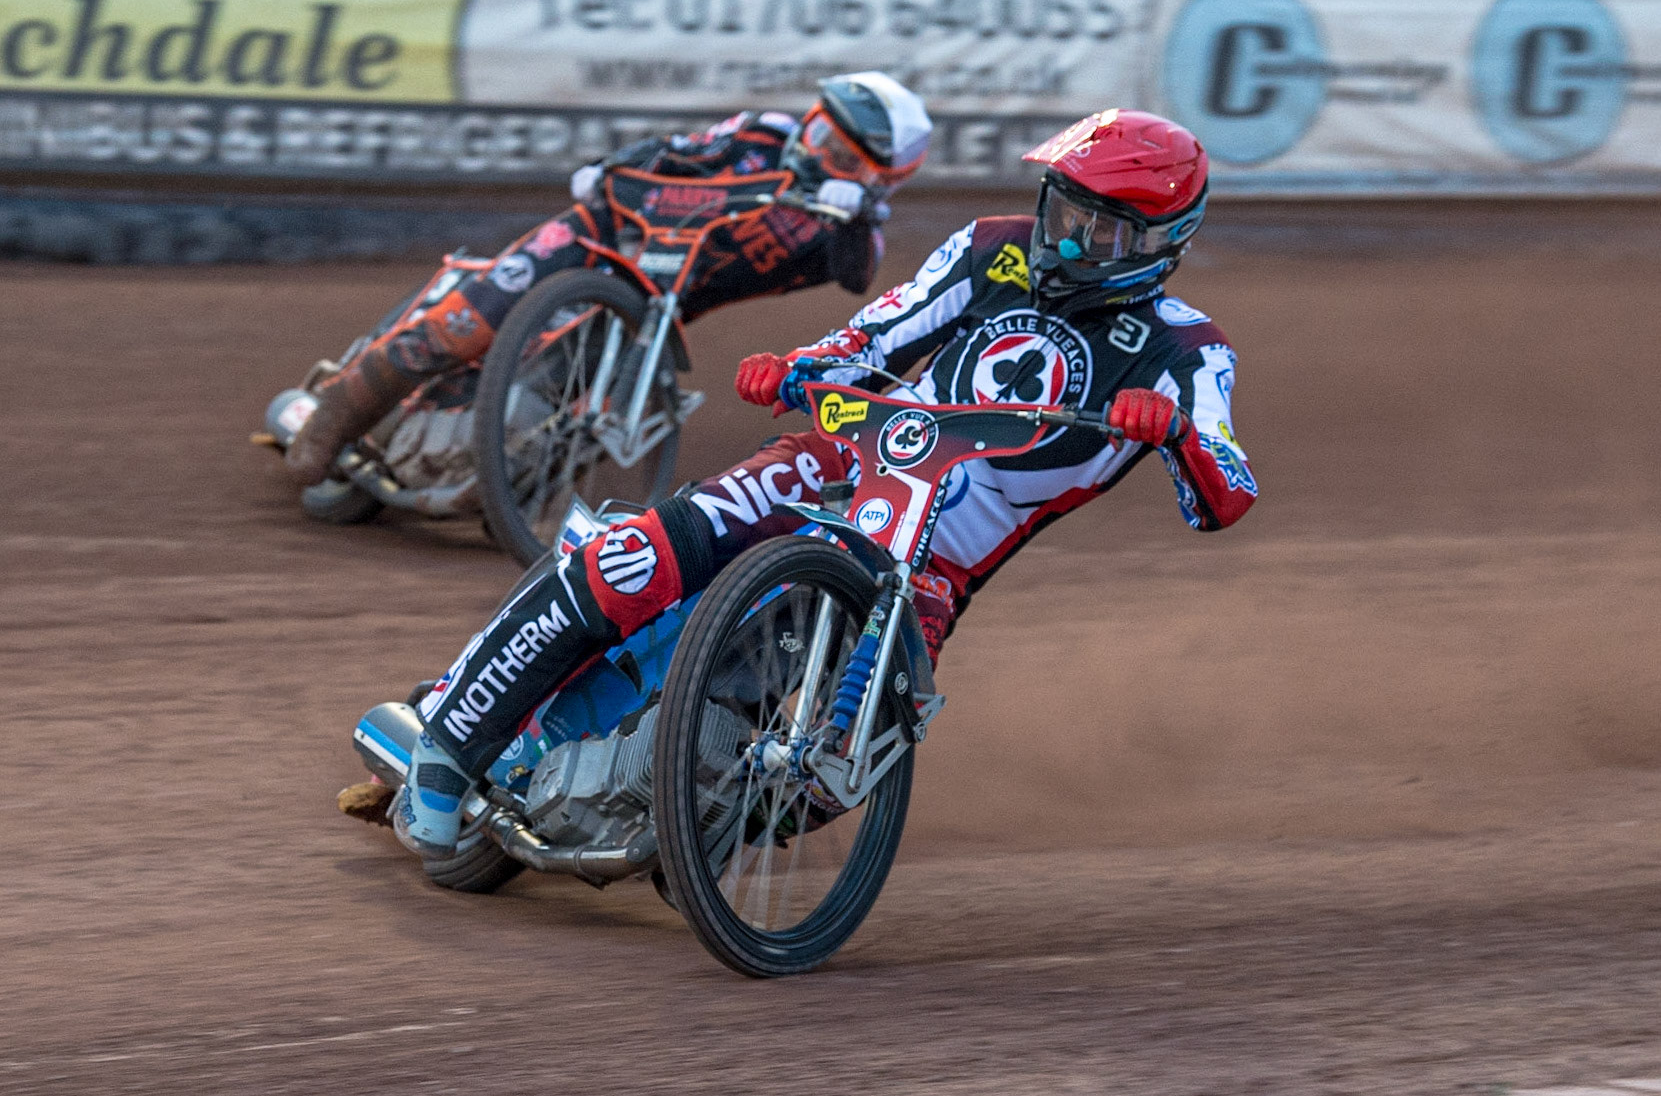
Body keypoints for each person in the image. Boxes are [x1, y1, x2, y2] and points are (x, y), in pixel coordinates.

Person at [389, 108, 1260, 858]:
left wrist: (1176, 427)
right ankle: (449, 741)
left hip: (933, 562)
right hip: (847, 457)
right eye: (1060, 209)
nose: (1064, 237)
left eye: (1096, 227)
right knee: (640, 556)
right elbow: (876, 335)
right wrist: (801, 367)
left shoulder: (1186, 352)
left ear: (1158, 242)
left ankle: (666, 808)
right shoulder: (991, 249)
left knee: (828, 780)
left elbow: (1225, 490)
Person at [285, 71, 933, 485]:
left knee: (558, 402)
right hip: (596, 231)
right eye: (821, 131)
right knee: (464, 326)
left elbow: (857, 278)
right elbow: (680, 150)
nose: (816, 151)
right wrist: (610, 166)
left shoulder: (853, 229)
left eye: (843, 155)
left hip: (650, 302)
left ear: (881, 176)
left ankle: (499, 482)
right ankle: (336, 414)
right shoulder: (762, 133)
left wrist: (850, 213)